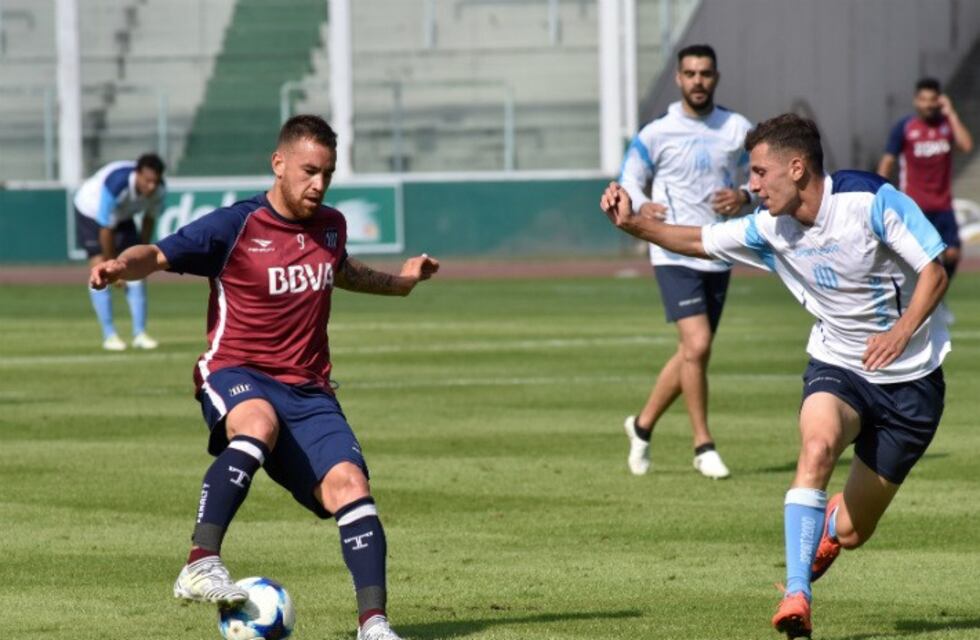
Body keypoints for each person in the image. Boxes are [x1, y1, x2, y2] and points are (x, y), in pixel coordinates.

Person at [89, 115, 439, 640]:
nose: (318, 184)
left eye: (328, 173)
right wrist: (119, 265)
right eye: (309, 171)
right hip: (236, 369)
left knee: (350, 486)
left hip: (310, 389)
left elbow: (342, 272)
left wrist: (403, 283)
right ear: (279, 164)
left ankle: (375, 626)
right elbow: (158, 254)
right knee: (257, 422)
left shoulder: (330, 225)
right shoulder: (235, 226)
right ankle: (200, 562)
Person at [600, 113, 949, 639]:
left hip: (912, 383)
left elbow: (934, 270)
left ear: (797, 166)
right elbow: (698, 240)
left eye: (760, 173)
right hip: (839, 366)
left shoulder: (869, 201)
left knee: (854, 531)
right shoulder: (770, 228)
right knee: (816, 447)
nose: (752, 185)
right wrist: (634, 224)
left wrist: (900, 332)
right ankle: (796, 595)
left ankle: (828, 530)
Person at [618, 43, 754, 479]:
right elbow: (630, 178)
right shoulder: (657, 131)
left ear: (716, 77)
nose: (698, 81)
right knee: (698, 346)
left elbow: (760, 173)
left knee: (691, 353)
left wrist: (745, 196)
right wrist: (641, 204)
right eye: (690, 73)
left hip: (717, 249)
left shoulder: (736, 128)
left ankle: (641, 427)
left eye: (706, 73)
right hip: (672, 249)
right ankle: (703, 445)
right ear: (678, 79)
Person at [877, 77, 973, 322]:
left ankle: (937, 300)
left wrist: (951, 113)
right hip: (914, 207)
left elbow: (966, 144)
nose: (928, 104)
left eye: (932, 100)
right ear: (916, 100)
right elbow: (888, 160)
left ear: (939, 100)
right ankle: (912, 303)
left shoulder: (946, 126)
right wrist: (878, 191)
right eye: (923, 99)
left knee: (952, 255)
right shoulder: (905, 128)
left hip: (942, 205)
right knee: (913, 259)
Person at [75, 153, 166, 350]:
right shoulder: (117, 185)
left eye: (155, 182)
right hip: (91, 212)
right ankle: (110, 335)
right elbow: (105, 227)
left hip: (124, 216)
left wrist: (142, 256)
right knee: (100, 270)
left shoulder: (159, 191)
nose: (151, 186)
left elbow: (149, 220)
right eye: (147, 181)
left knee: (137, 272)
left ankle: (139, 334)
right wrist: (113, 267)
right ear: (137, 174)